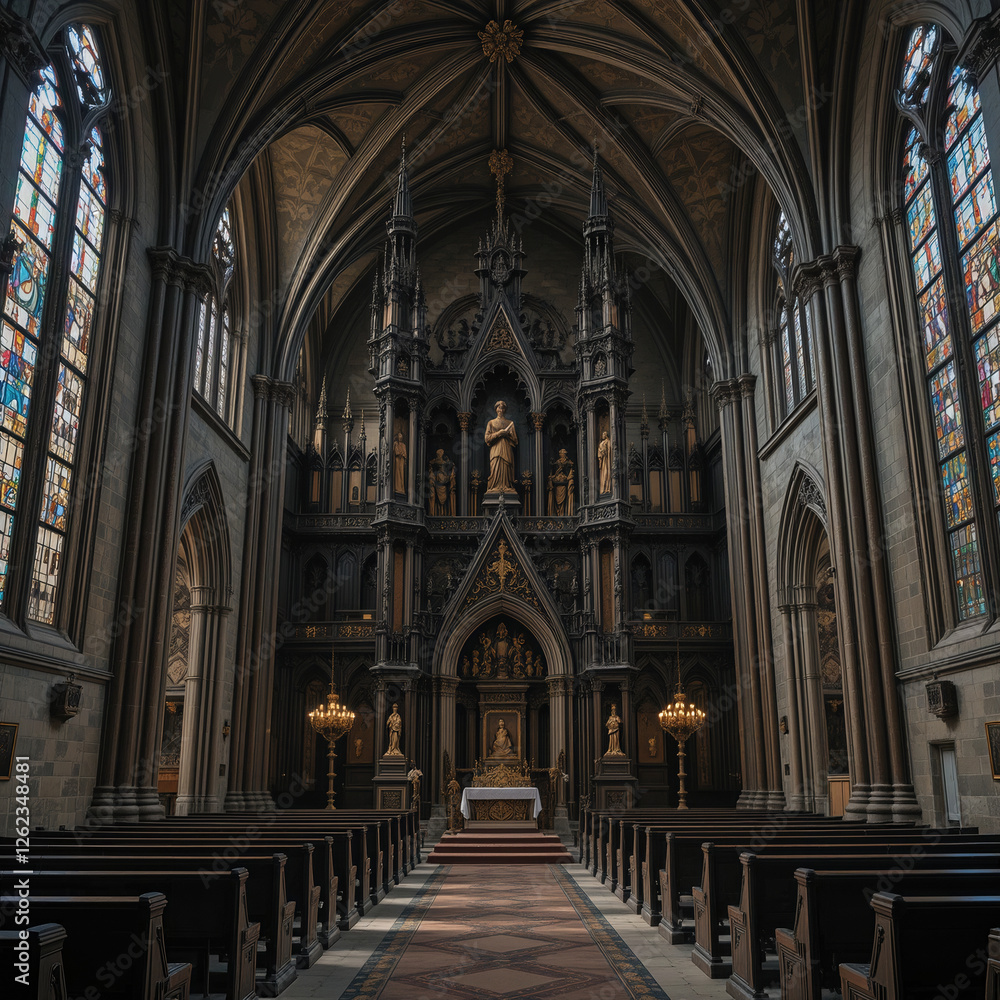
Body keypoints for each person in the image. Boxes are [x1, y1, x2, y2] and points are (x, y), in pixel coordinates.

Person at [484, 400, 518, 493]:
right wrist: (499, 433)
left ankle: (506, 486)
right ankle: (494, 487)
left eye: (503, 407)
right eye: (499, 407)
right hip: (496, 450)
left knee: (506, 468)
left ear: (505, 410)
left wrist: (508, 435)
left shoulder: (510, 423)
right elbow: (487, 438)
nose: (501, 409)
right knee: (495, 468)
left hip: (506, 449)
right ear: (496, 409)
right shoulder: (491, 423)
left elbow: (515, 440)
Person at [598, 431, 613, 495]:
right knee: (604, 474)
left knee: (606, 473)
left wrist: (603, 451)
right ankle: (603, 488)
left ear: (606, 435)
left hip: (607, 460)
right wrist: (601, 452)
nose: (602, 436)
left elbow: (608, 450)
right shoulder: (602, 442)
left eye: (603, 434)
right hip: (603, 460)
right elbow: (600, 450)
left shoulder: (608, 442)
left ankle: (607, 488)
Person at [393, 431, 407, 496]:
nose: (400, 438)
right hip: (397, 460)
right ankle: (397, 487)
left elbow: (405, 454)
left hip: (401, 460)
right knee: (397, 473)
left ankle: (402, 489)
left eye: (401, 437)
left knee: (401, 474)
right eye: (399, 436)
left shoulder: (403, 445)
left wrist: (402, 454)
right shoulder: (396, 443)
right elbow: (396, 452)